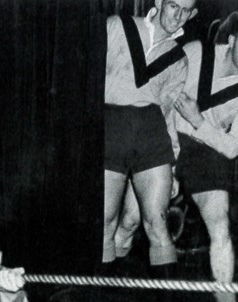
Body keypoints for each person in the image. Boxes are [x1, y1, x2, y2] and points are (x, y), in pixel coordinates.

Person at [101, 0, 198, 279]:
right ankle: (102, 301)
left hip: (150, 134)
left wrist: (173, 165)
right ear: (159, 3)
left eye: (185, 11)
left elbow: (167, 114)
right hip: (111, 128)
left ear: (192, 14)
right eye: (173, 6)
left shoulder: (179, 59)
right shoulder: (118, 26)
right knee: (106, 221)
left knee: (157, 222)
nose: (178, 15)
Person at [172, 14, 238, 302]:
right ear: (232, 39)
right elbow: (160, 96)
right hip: (165, 136)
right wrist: (169, 150)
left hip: (207, 150)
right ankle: (103, 291)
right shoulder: (197, 52)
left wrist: (199, 121)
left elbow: (234, 147)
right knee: (129, 220)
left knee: (220, 225)